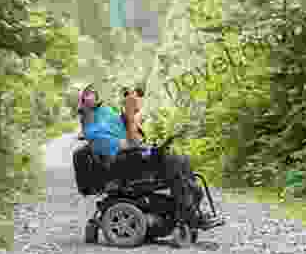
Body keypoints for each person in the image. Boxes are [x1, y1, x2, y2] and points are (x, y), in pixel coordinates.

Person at [79, 87, 222, 230]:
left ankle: (191, 212)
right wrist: (130, 118)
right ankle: (189, 216)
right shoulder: (95, 133)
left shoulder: (107, 116)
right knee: (173, 162)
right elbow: (131, 143)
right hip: (123, 166)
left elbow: (133, 134)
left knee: (181, 161)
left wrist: (131, 116)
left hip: (130, 158)